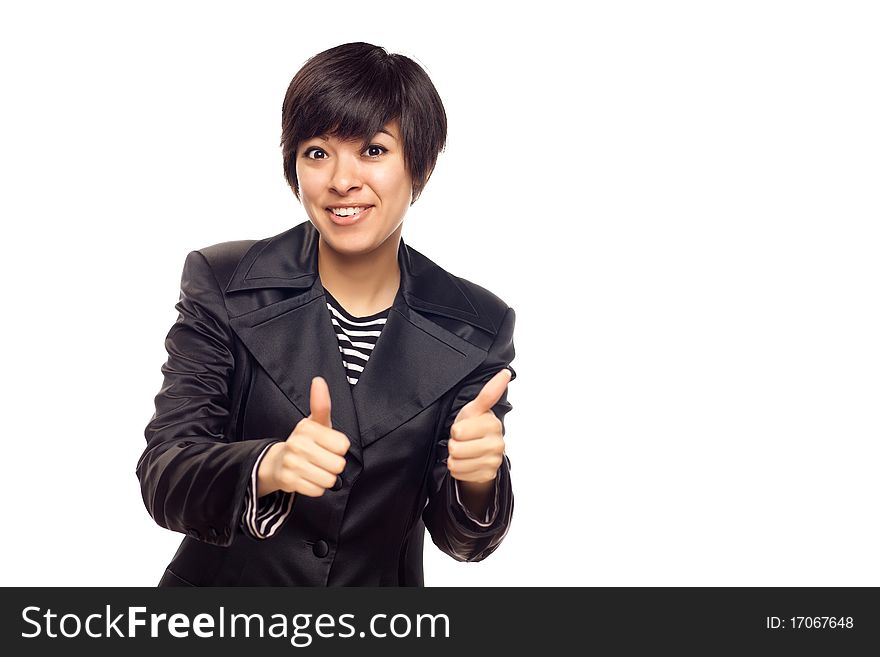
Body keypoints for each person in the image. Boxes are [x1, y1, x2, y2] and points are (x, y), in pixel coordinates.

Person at [137, 42, 517, 586]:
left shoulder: (476, 325)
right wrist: (268, 467)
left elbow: (464, 539)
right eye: (317, 152)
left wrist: (477, 480)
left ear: (421, 164)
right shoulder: (223, 282)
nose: (342, 180)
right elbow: (164, 473)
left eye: (373, 150)